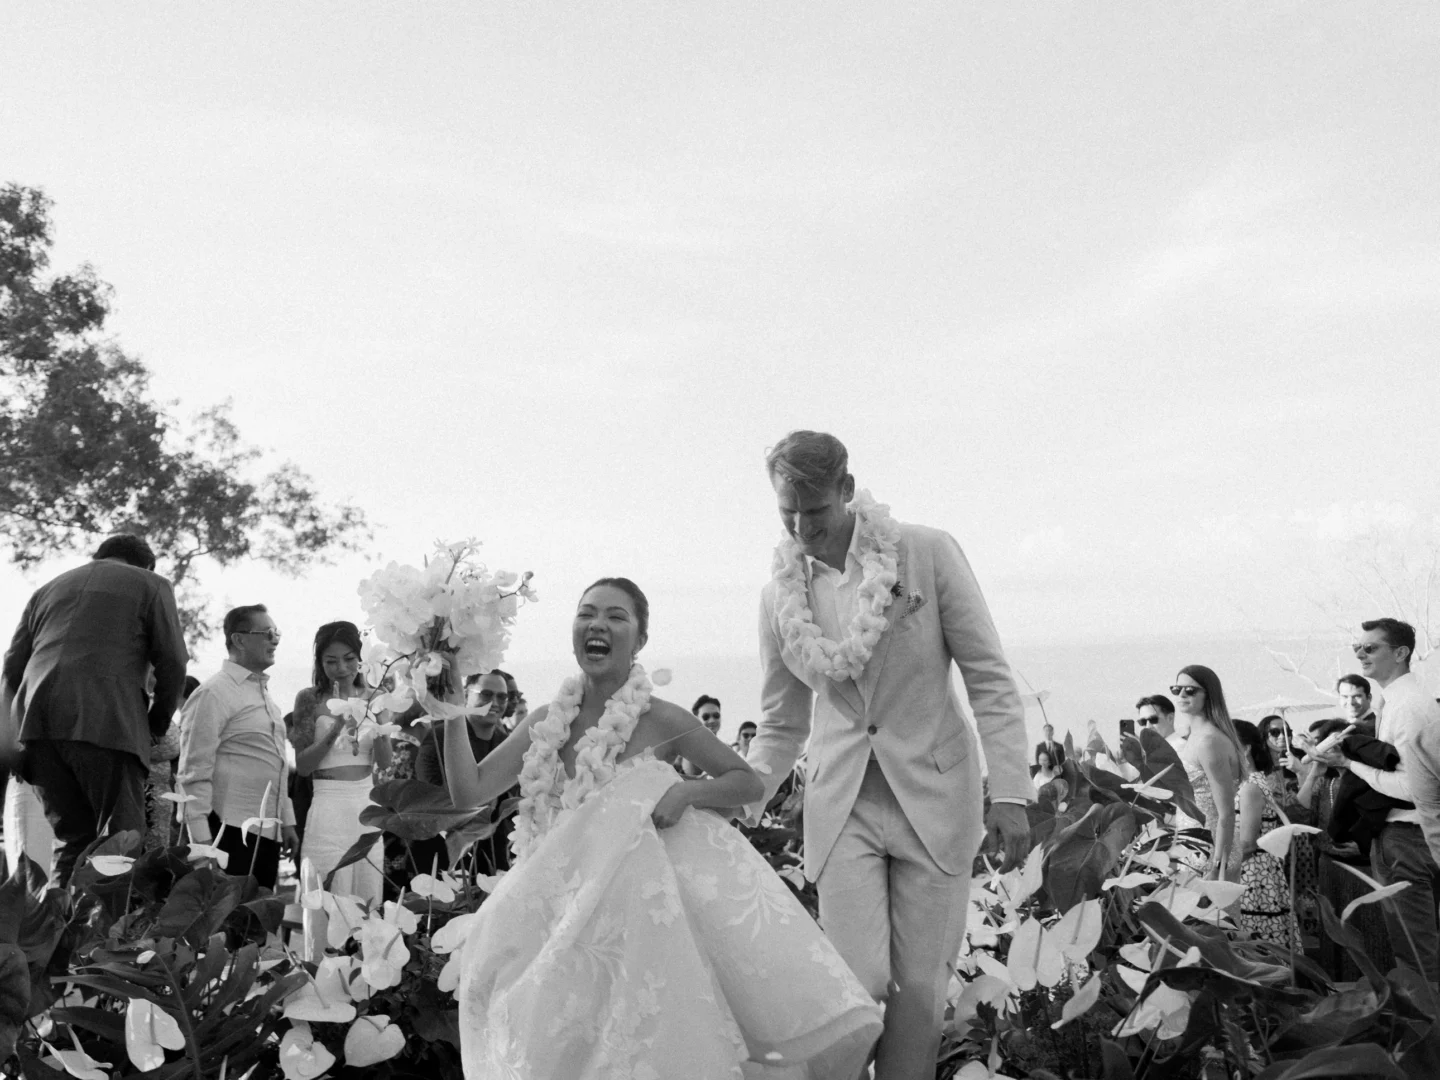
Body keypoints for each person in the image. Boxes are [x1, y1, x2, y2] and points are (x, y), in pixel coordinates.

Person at [446, 578, 882, 1077]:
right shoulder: (546, 721)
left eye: (616, 616)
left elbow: (746, 782)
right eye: (587, 613)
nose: (598, 625)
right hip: (555, 919)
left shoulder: (661, 719)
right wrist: (448, 712)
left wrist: (684, 792)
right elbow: (469, 791)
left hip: (635, 926)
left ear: (641, 639)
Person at [747, 431, 1032, 1080]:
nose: (801, 527)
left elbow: (988, 674)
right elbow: (780, 726)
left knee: (920, 993)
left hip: (934, 800)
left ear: (846, 491)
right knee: (856, 982)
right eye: (786, 513)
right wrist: (742, 794)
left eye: (814, 511)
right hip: (841, 807)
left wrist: (1010, 794)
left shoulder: (927, 553)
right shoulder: (776, 598)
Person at [2, 534, 188, 885]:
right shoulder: (151, 584)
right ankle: (105, 938)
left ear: (99, 556)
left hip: (36, 727)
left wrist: (11, 742)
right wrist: (156, 725)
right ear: (145, 565)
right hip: (106, 721)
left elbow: (11, 670)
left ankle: (57, 935)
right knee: (121, 843)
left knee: (74, 840)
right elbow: (174, 661)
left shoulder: (46, 590)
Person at [1313, 618, 1440, 984]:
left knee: (1415, 953)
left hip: (1407, 838)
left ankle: (1425, 1036)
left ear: (1400, 653)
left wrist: (1349, 763)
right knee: (1418, 949)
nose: (1360, 655)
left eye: (1370, 648)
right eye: (1358, 648)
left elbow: (1415, 789)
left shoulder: (1408, 706)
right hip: (1411, 837)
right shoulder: (1403, 700)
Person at [177, 605, 297, 889]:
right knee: (226, 929)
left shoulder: (264, 696)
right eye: (267, 633)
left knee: (253, 929)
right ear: (239, 640)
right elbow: (192, 772)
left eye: (276, 632)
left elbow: (276, 763)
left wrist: (287, 821)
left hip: (267, 835)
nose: (275, 640)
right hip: (226, 834)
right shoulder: (213, 693)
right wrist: (203, 846)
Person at [290, 621, 392, 903]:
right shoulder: (309, 699)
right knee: (327, 893)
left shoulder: (377, 696)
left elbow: (384, 763)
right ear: (320, 662)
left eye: (349, 659)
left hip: (365, 804)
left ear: (361, 659)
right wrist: (336, 726)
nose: (342, 668)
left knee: (367, 895)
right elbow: (304, 766)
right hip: (327, 806)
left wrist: (380, 728)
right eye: (331, 661)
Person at [1233, 720, 1300, 948]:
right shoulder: (1251, 781)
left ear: (1245, 748)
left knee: (1255, 946)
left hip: (1252, 876)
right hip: (1258, 873)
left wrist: (1216, 871)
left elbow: (1247, 844)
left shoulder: (1250, 786)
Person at [1173, 665, 1244, 880]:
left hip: (1210, 851)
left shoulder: (1208, 741)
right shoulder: (1194, 736)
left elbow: (1226, 813)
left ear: (1209, 695)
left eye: (1191, 690)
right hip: (1191, 846)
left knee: (1211, 914)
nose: (1182, 694)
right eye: (1177, 689)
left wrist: (1217, 867)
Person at [144, 674, 200, 852]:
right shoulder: (146, 706)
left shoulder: (191, 722)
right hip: (152, 795)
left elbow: (170, 745)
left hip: (173, 793)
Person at [681, 695, 722, 777]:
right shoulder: (690, 751)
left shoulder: (727, 749)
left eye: (716, 716)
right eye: (706, 717)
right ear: (696, 720)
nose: (712, 720)